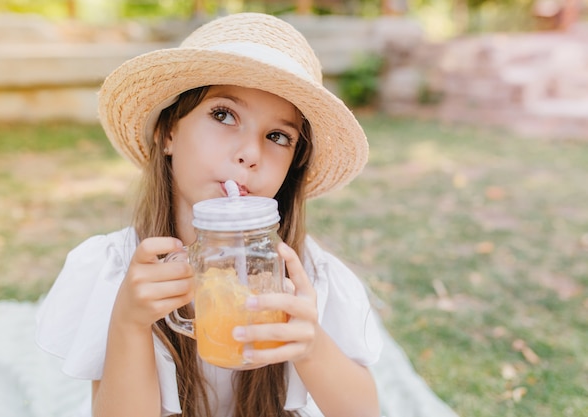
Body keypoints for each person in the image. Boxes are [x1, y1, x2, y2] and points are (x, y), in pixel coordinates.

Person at [36, 12, 382, 417]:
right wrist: (129, 322)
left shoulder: (310, 278)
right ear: (168, 134)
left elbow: (364, 412)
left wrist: (311, 346)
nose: (250, 154)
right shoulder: (117, 269)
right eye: (223, 115)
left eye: (277, 136)